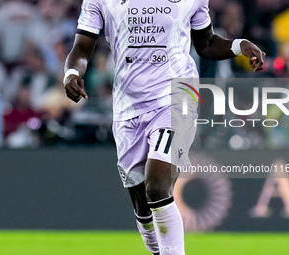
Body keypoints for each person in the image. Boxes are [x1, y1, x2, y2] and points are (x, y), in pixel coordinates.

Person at [64, 1, 265, 254]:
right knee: (142, 205)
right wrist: (71, 73)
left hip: (176, 97)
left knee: (157, 187)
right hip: (129, 107)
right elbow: (82, 47)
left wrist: (239, 45)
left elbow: (205, 43)